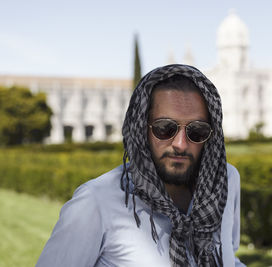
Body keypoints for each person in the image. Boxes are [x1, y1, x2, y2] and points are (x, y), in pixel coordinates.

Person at [37, 64, 245, 267]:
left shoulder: (225, 181)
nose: (181, 144)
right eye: (165, 128)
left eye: (197, 131)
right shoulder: (96, 201)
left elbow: (228, 257)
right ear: (140, 129)